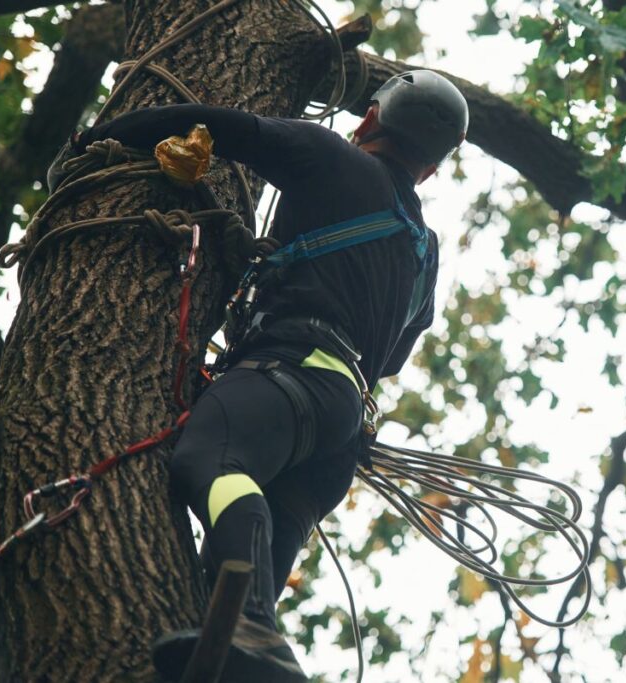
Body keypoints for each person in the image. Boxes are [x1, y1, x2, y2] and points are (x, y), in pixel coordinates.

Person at [74, 70, 469, 682]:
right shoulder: (426, 250)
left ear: (369, 120)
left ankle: (252, 623)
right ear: (432, 170)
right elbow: (390, 360)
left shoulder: (331, 156)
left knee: (212, 463)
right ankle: (246, 648)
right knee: (256, 533)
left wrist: (93, 145)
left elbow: (220, 127)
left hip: (288, 377)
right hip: (337, 427)